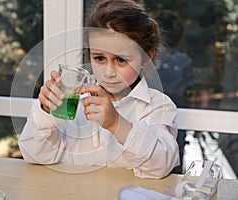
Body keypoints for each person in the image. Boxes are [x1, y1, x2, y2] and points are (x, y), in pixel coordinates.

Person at [18, 0, 179, 179]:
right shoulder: (72, 100)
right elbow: (34, 156)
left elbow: (160, 167)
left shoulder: (158, 107)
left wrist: (116, 123)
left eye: (121, 60)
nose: (108, 72)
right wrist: (46, 113)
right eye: (100, 58)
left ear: (146, 57)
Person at [153, 10, 193, 174]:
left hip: (172, 118)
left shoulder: (149, 60)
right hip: (169, 119)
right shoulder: (183, 61)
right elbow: (188, 92)